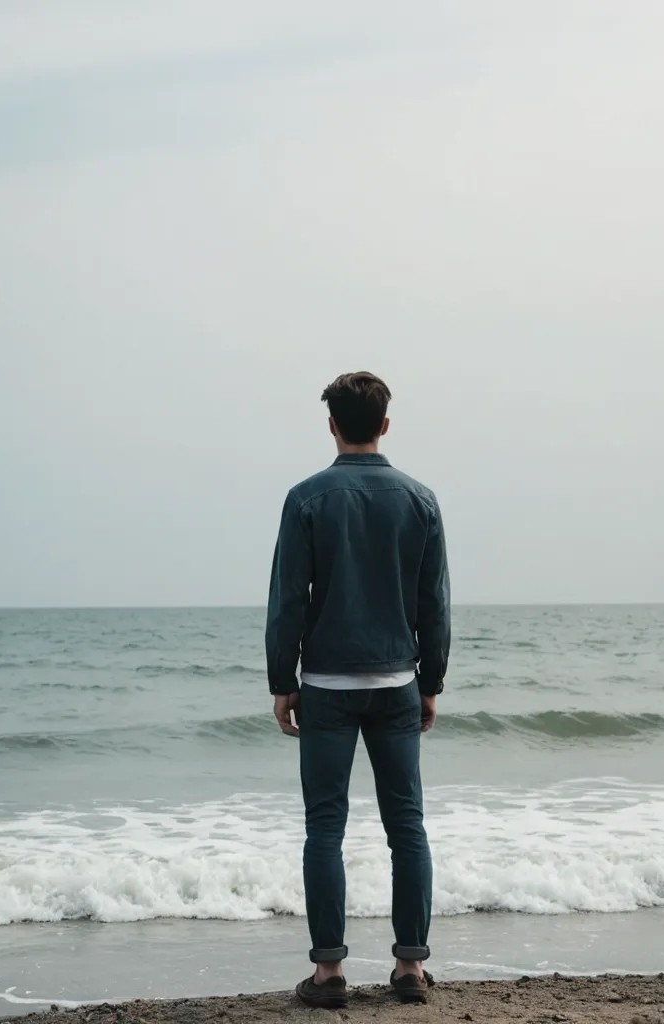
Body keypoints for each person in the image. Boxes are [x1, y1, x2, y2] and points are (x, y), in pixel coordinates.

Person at [266, 371, 451, 1009]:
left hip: (325, 684)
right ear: (385, 424)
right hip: (397, 681)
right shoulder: (420, 499)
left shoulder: (306, 498)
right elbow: (434, 603)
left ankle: (328, 975)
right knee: (407, 825)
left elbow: (288, 600)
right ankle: (410, 968)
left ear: (332, 425)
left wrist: (282, 681)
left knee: (325, 827)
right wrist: (431, 681)